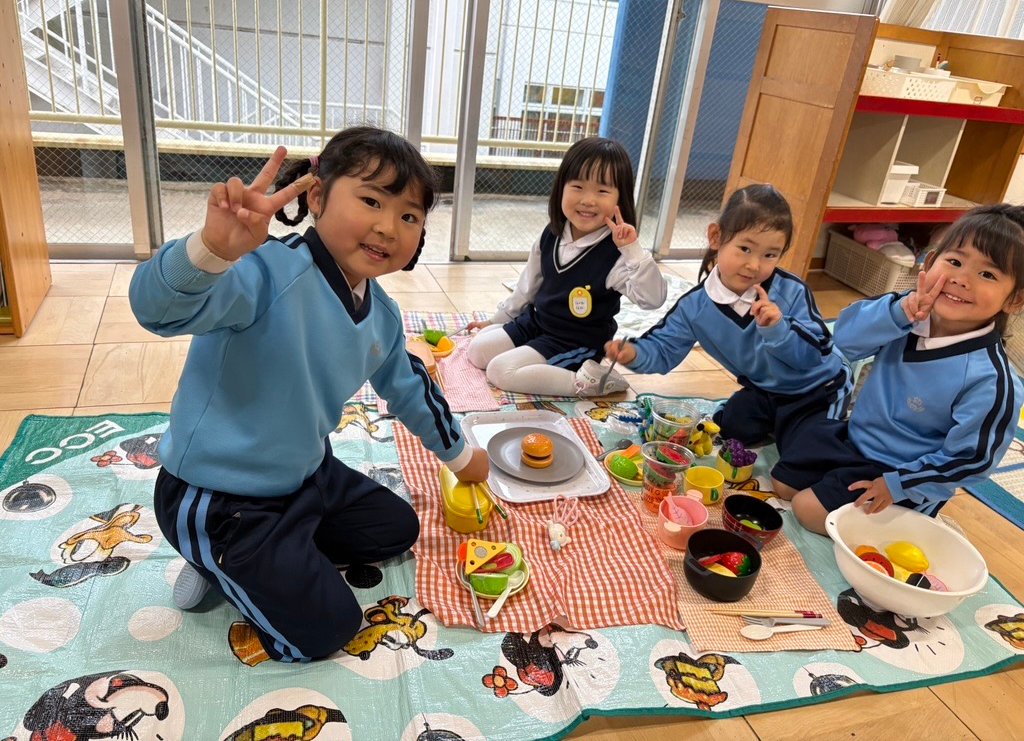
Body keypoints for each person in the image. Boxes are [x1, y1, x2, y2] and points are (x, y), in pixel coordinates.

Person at [129, 127, 488, 662]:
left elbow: (410, 388)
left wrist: (460, 456)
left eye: (410, 216)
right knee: (325, 631)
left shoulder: (382, 314)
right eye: (371, 201)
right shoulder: (263, 270)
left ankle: (274, 557)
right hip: (220, 498)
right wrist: (210, 250)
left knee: (396, 529)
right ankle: (213, 560)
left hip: (306, 477)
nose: (388, 227)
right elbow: (157, 310)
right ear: (316, 196)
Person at [774, 204, 1024, 534]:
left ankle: (908, 518)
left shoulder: (991, 379)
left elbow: (972, 459)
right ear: (929, 263)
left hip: (902, 474)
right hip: (854, 438)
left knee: (807, 509)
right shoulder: (903, 313)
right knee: (782, 483)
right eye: (955, 261)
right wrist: (897, 314)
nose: (961, 279)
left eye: (988, 274)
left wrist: (899, 484)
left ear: (1014, 300)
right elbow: (844, 339)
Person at [604, 183, 851, 466]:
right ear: (716, 237)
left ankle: (829, 433)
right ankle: (776, 420)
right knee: (728, 428)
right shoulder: (695, 306)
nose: (754, 265)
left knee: (803, 462)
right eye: (745, 248)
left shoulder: (790, 291)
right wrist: (634, 354)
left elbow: (815, 355)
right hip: (764, 390)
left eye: (770, 255)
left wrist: (778, 330)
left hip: (816, 389)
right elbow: (663, 348)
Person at [466, 137, 666, 397]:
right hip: (537, 323)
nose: (588, 200)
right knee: (477, 351)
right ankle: (526, 351)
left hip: (574, 341)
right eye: (578, 187)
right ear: (561, 187)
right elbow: (527, 287)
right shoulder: (551, 234)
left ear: (621, 198)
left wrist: (633, 250)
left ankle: (592, 382)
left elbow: (652, 300)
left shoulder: (617, 254)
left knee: (500, 371)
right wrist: (496, 321)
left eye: (602, 191)